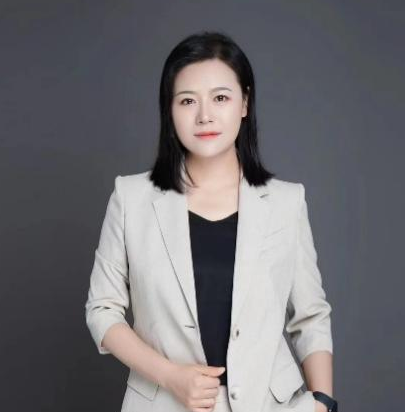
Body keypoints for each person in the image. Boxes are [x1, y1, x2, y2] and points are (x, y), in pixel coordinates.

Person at [85, 31, 338, 412]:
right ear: (169, 110)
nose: (204, 115)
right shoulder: (131, 198)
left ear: (244, 103)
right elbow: (102, 310)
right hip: (163, 403)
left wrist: (323, 403)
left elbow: (311, 315)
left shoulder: (287, 202)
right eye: (188, 100)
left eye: (220, 98)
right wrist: (171, 376)